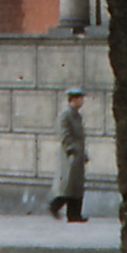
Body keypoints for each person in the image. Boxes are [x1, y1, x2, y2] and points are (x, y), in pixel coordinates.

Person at [50, 85, 88, 222]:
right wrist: (71, 149)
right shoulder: (65, 115)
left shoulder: (77, 115)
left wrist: (84, 153)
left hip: (78, 155)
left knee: (77, 187)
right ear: (73, 99)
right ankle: (54, 206)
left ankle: (74, 215)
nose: (82, 102)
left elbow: (81, 136)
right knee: (68, 186)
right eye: (80, 99)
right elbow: (64, 135)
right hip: (70, 156)